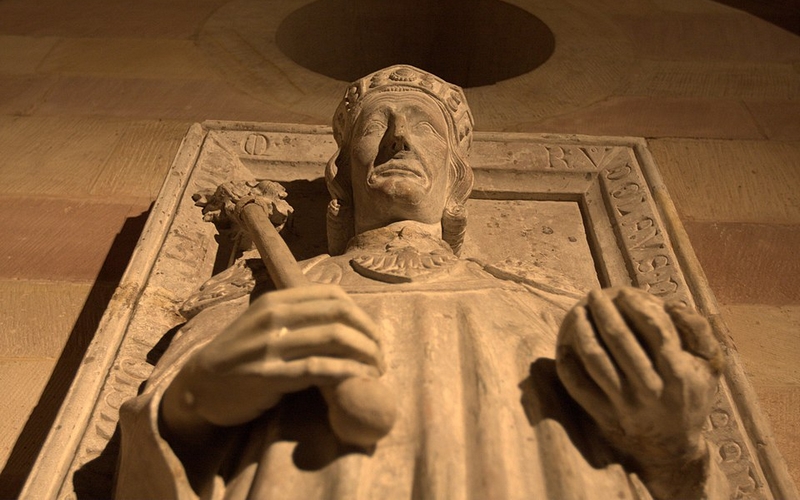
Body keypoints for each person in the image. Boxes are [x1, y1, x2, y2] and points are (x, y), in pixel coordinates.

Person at [116, 65, 728, 499]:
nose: (401, 137)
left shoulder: (549, 301)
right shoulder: (261, 293)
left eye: (424, 127)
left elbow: (684, 481)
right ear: (339, 177)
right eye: (375, 126)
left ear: (457, 178)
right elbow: (142, 458)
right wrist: (199, 394)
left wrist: (671, 446)